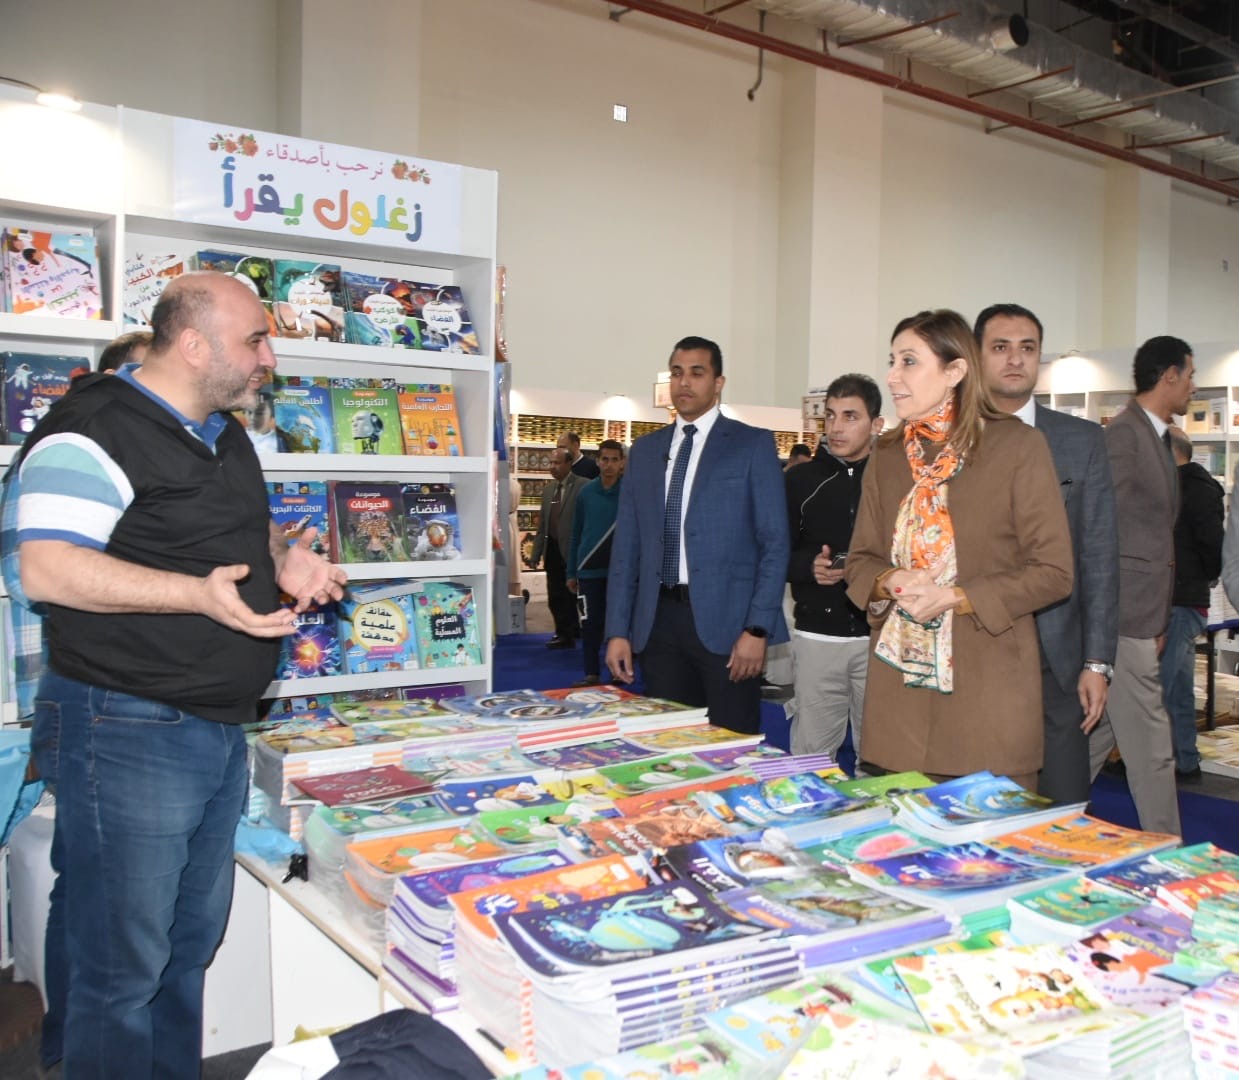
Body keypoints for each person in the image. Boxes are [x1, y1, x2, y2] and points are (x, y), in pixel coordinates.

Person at [5, 271, 347, 1077]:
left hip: (212, 727)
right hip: (126, 725)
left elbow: (243, 531)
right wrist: (195, 595)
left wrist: (285, 559)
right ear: (193, 345)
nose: (269, 356)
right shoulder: (94, 428)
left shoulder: (220, 433)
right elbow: (46, 568)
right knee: (121, 967)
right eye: (254, 340)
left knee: (185, 944)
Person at [844, 310, 1072, 791]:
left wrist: (955, 596)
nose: (893, 376)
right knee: (903, 836)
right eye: (892, 361)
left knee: (990, 839)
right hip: (900, 702)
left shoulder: (1018, 446)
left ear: (954, 371)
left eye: (909, 361)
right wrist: (892, 581)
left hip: (987, 698)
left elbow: (1054, 572)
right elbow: (861, 559)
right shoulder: (886, 455)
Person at [605, 335, 789, 734]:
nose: (684, 382)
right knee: (668, 742)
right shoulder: (645, 451)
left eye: (696, 373)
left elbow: (775, 544)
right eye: (676, 373)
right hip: (658, 625)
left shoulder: (751, 445)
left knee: (732, 743)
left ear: (718, 383)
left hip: (729, 626)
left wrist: (757, 628)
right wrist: (618, 630)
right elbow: (626, 550)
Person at [975, 303, 1119, 805]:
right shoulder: (951, 439)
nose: (1015, 359)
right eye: (1000, 347)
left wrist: (1098, 663)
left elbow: (1100, 556)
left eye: (1027, 348)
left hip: (1057, 657)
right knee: (980, 807)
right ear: (976, 356)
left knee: (1063, 806)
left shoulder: (1082, 441)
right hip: (975, 651)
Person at [1088, 335, 1196, 836]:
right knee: (1153, 748)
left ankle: (1045, 818)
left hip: (1140, 615)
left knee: (1096, 733)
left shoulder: (1154, 437)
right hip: (1122, 616)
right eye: (1190, 376)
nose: (1193, 387)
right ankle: (1170, 851)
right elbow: (1094, 526)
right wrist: (1108, 615)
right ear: (1169, 376)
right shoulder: (1125, 437)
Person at [784, 374, 884, 758]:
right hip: (817, 639)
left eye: (850, 416)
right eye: (830, 415)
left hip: (880, 639)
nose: (837, 427)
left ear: (876, 424)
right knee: (810, 759)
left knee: (878, 760)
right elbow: (775, 553)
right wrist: (808, 566)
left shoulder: (894, 481)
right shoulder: (800, 480)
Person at [1162, 424, 1223, 780]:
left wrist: (1205, 576)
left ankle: (1148, 759)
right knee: (1179, 688)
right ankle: (1185, 759)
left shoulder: (1190, 490)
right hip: (1186, 598)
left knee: (1159, 688)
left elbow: (1211, 543)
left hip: (1179, 600)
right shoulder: (1194, 487)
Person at [567, 439, 625, 686]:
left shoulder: (630, 492)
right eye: (605, 459)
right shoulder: (586, 493)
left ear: (622, 463)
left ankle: (619, 672)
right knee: (589, 624)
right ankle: (591, 673)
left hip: (620, 572)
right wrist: (572, 571)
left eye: (614, 460)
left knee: (619, 623)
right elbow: (576, 533)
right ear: (598, 461)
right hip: (588, 572)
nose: (609, 465)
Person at [531, 447, 586, 649]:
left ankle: (575, 630)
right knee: (555, 595)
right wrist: (536, 553)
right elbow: (543, 526)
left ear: (569, 463)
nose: (553, 467)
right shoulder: (549, 490)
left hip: (574, 551)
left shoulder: (583, 486)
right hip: (552, 549)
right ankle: (563, 633)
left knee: (574, 595)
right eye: (551, 463)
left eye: (557, 463)